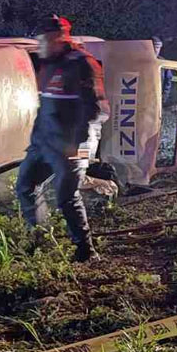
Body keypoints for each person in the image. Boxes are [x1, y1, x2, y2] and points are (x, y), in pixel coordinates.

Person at [15, 15, 108, 263]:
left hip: (72, 144)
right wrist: (36, 140)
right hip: (45, 142)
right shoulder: (49, 64)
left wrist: (77, 146)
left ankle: (87, 252)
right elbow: (45, 106)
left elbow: (96, 111)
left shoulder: (82, 64)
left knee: (67, 196)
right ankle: (41, 240)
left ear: (59, 36)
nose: (41, 43)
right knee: (26, 186)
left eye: (44, 38)